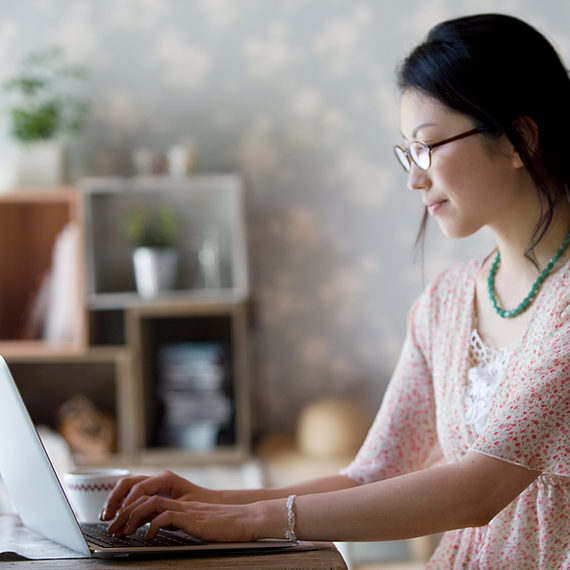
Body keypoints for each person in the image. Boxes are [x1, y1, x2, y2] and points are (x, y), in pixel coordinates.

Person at [100, 13, 570, 569]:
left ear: (520, 138)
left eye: (429, 146)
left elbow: (477, 492)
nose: (414, 179)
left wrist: (244, 521)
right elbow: (372, 474)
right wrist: (210, 499)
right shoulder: (445, 303)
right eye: (408, 153)